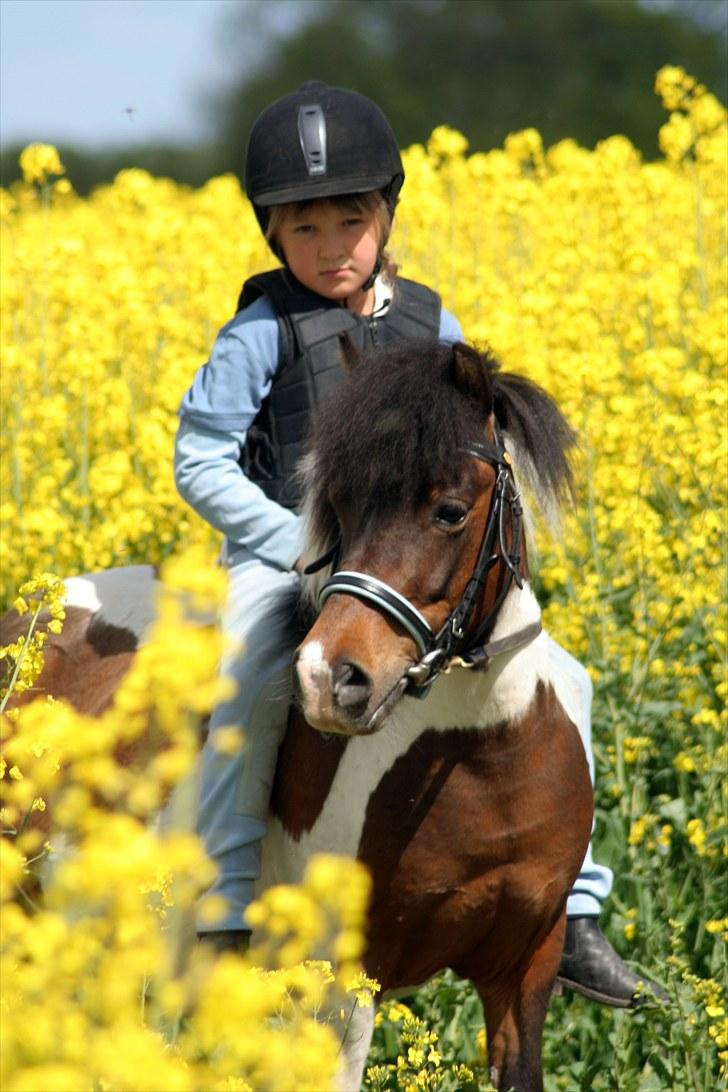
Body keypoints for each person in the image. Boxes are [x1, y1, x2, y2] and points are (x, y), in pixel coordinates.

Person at [174, 81, 662, 1008]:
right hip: (284, 563)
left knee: (567, 678)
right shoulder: (259, 332)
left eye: (349, 224)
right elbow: (198, 460)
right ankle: (227, 900)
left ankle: (577, 909)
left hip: (406, 568)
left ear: (386, 217)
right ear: (272, 234)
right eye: (304, 228)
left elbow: (478, 449)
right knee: (244, 679)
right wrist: (299, 544)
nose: (330, 248)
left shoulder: (432, 323)